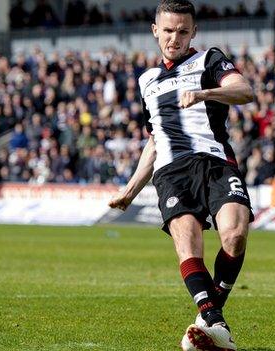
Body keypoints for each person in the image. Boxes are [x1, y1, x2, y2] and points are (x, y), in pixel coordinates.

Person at [108, 1, 254, 350]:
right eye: (169, 30)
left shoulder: (208, 60)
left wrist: (205, 92)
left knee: (234, 235)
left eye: (183, 31)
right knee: (188, 242)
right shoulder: (146, 81)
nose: (175, 38)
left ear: (193, 32)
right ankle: (217, 325)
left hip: (216, 161)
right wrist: (130, 190)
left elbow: (245, 91)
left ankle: (208, 315)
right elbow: (155, 140)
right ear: (155, 30)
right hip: (172, 171)